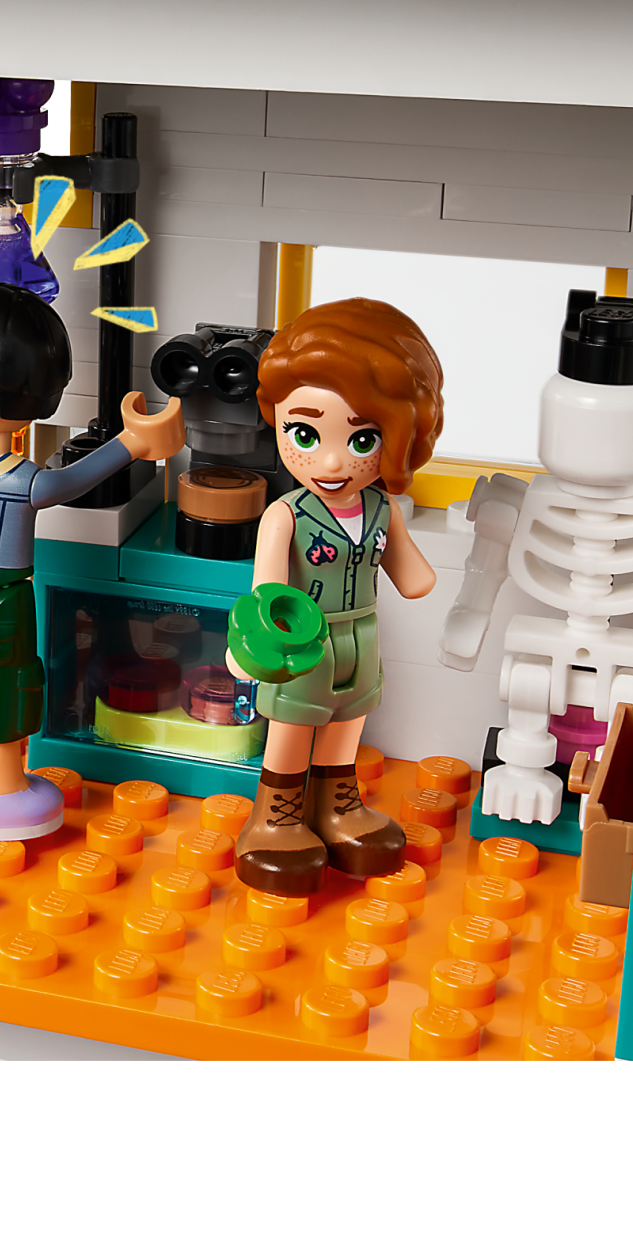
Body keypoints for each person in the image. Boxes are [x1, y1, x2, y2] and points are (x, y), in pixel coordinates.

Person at [0, 281, 184, 842]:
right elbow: (75, 479)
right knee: (2, 684)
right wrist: (132, 443)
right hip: (4, 601)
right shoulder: (26, 481)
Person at [229, 298, 444, 894]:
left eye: (362, 439)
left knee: (349, 721)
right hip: (303, 640)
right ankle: (275, 818)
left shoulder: (381, 508)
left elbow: (414, 577)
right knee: (293, 727)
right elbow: (266, 594)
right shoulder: (285, 516)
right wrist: (251, 644)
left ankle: (338, 809)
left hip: (363, 634)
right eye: (304, 433)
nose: (329, 461)